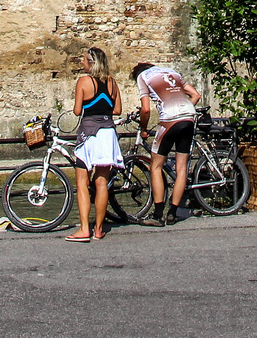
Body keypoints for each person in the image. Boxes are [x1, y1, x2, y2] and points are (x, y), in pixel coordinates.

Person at [132, 61, 201, 226]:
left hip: (169, 119)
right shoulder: (172, 72)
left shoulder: (143, 77)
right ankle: (172, 213)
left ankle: (157, 214)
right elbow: (196, 95)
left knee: (155, 166)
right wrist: (183, 109)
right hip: (189, 115)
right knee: (182, 168)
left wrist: (143, 129)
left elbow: (146, 109)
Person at [67, 47, 124, 241]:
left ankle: (84, 229)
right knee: (101, 183)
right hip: (108, 134)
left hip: (89, 135)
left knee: (82, 183)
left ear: (91, 63)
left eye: (84, 60)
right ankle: (99, 229)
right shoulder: (112, 83)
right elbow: (117, 110)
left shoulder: (84, 81)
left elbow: (76, 111)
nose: (82, 63)